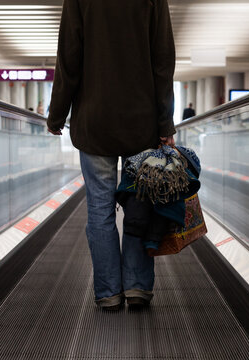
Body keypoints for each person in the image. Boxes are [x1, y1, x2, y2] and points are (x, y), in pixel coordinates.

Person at [47, 0, 176, 310]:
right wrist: (164, 122)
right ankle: (137, 287)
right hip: (141, 125)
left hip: (95, 124)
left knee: (100, 211)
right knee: (140, 207)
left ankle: (108, 292)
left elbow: (69, 57)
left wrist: (57, 114)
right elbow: (162, 60)